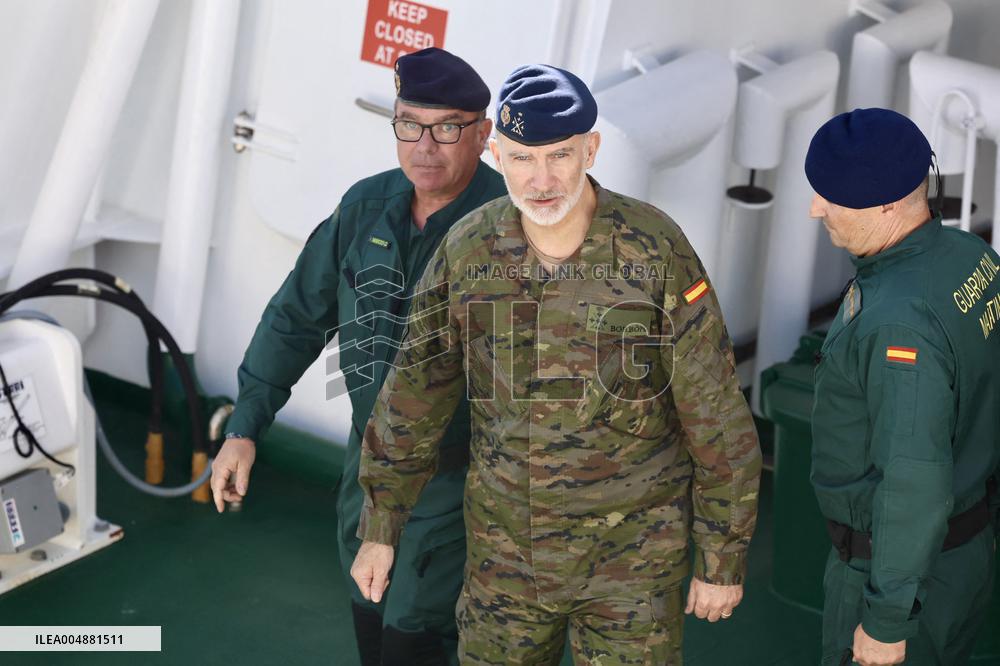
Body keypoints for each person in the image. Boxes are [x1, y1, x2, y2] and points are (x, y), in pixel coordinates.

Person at [350, 63, 762, 665]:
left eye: (560, 155)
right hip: (504, 559)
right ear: (496, 155)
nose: (541, 180)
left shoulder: (654, 249)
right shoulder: (468, 249)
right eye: (522, 158)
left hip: (632, 565)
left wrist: (722, 555)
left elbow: (715, 410)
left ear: (590, 150)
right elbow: (414, 392)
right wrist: (381, 527)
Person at [209, 47, 506, 666]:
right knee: (370, 617)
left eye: (447, 129)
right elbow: (295, 317)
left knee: (415, 634)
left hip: (459, 479)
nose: (424, 147)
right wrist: (244, 427)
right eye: (409, 125)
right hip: (366, 465)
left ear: (483, 135)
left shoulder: (514, 230)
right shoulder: (366, 208)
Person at [805, 107, 1000, 666]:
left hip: (900, 575)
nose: (815, 208)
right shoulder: (971, 256)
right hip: (963, 551)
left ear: (886, 203)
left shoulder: (898, 326)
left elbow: (913, 478)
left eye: (830, 196)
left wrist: (887, 620)